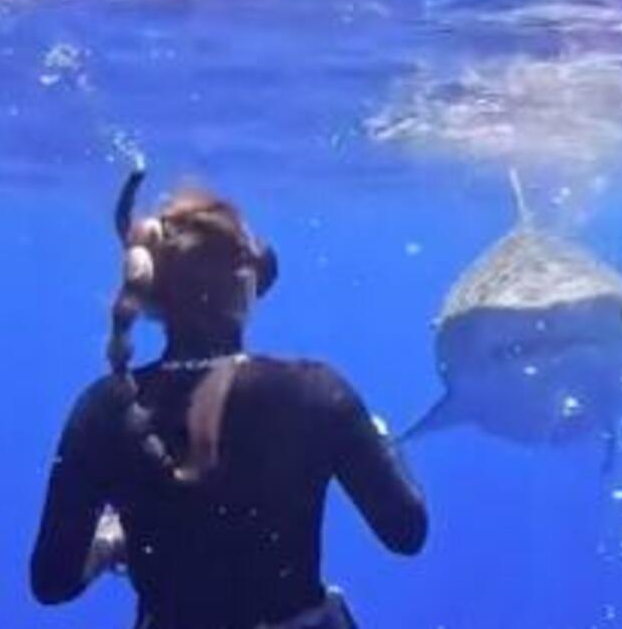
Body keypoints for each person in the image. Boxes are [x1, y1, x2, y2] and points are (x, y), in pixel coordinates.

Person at [30, 164, 428, 629]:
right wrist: (380, 438)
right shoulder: (316, 392)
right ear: (245, 282)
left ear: (154, 293)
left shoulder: (107, 405)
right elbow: (406, 532)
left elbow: (52, 580)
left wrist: (111, 543)